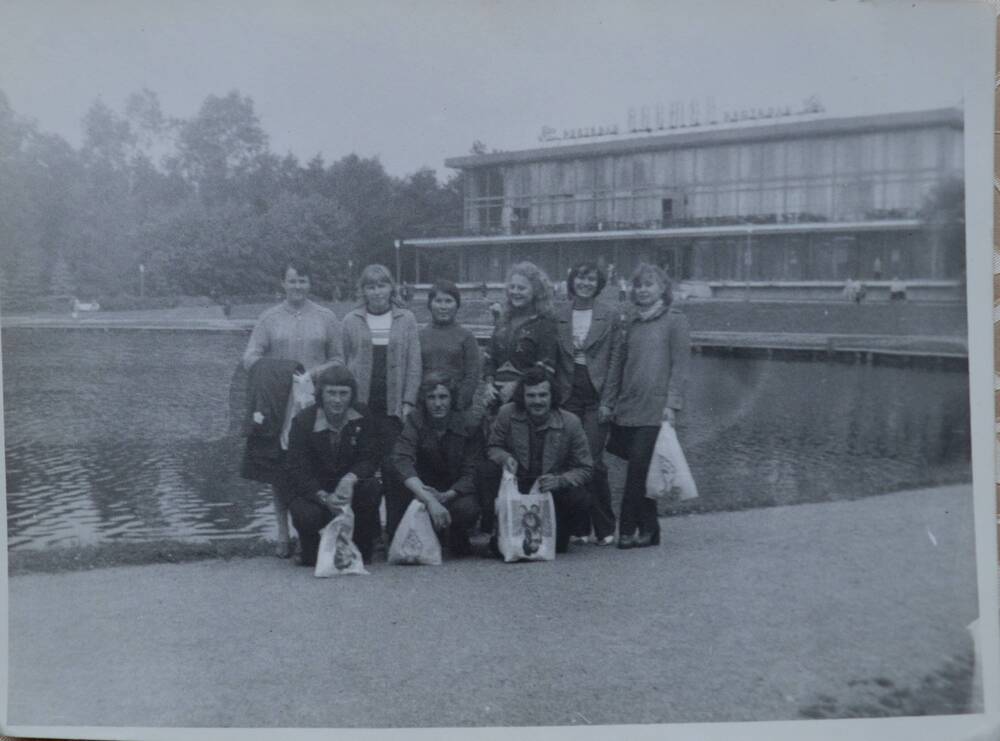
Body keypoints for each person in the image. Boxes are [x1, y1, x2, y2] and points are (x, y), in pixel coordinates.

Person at [242, 259, 344, 558]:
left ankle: (310, 531)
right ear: (283, 283)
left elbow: (339, 360)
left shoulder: (326, 317)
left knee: (312, 465)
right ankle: (283, 532)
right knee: (280, 469)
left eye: (303, 281)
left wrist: (313, 374)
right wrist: (279, 372)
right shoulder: (269, 318)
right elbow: (250, 357)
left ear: (310, 284)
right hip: (280, 405)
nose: (297, 286)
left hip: (316, 402)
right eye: (292, 280)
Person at [606, 263, 690, 549]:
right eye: (638, 285)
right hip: (628, 407)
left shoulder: (675, 320)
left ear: (663, 288)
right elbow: (617, 366)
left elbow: (680, 367)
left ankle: (626, 529)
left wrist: (672, 405)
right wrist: (609, 402)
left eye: (649, 284)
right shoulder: (628, 322)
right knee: (642, 470)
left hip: (655, 411)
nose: (642, 290)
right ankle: (651, 529)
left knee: (637, 470)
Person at [341, 264, 422, 541]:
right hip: (360, 408)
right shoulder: (351, 320)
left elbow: (414, 364)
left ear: (391, 287)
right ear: (363, 290)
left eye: (382, 285)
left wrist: (409, 401)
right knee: (363, 470)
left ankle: (396, 533)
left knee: (394, 470)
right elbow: (342, 361)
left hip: (393, 409)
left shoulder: (406, 319)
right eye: (370, 286)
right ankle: (368, 535)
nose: (376, 292)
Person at [480, 261, 558, 531]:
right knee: (494, 456)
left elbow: (547, 363)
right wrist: (488, 383)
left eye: (521, 287)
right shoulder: (503, 319)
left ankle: (527, 521)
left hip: (528, 399)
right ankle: (495, 522)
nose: (515, 292)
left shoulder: (544, 323)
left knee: (523, 458)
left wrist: (519, 387)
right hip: (496, 400)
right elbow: (489, 357)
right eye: (511, 286)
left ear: (535, 290)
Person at [484, 366, 593, 554]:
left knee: (577, 501)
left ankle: (562, 530)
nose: (537, 401)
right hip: (517, 486)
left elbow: (585, 468)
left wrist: (560, 480)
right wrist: (505, 458)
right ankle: (498, 530)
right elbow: (492, 447)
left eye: (543, 395)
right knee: (486, 471)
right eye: (531, 396)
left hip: (550, 490)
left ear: (552, 397)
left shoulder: (571, 422)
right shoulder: (506, 413)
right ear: (522, 397)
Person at [283, 365, 381, 565]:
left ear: (352, 395)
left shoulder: (363, 415)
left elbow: (370, 457)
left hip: (348, 490)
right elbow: (297, 469)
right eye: (331, 393)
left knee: (372, 488)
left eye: (343, 393)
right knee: (312, 557)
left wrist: (350, 479)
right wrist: (324, 497)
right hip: (316, 492)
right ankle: (310, 544)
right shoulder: (303, 421)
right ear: (321, 394)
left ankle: (362, 543)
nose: (337, 400)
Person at [555, 261, 622, 546]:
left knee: (593, 461)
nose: (585, 284)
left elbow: (616, 361)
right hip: (568, 394)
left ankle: (605, 526)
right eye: (580, 278)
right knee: (571, 459)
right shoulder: (559, 314)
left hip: (596, 394)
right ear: (572, 281)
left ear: (598, 283)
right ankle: (579, 527)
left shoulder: (609, 315)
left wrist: (608, 401)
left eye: (591, 279)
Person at [386, 371, 483, 556]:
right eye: (431, 397)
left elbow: (472, 471)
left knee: (467, 509)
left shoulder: (470, 424)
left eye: (443, 397)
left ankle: (456, 532)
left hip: (454, 491)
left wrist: (447, 496)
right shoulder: (415, 419)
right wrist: (428, 498)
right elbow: (402, 458)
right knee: (390, 466)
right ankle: (396, 534)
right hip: (424, 489)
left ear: (452, 398)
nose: (438, 404)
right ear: (424, 400)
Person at [419, 280, 482, 411]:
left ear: (457, 305)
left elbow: (472, 375)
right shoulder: (419, 336)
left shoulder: (466, 336)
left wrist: (459, 404)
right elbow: (414, 372)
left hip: (456, 406)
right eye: (438, 301)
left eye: (448, 301)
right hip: (425, 405)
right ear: (430, 304)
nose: (443, 306)